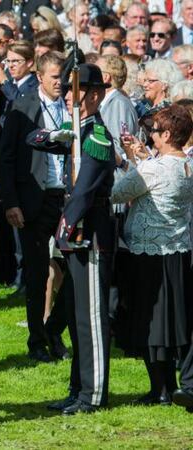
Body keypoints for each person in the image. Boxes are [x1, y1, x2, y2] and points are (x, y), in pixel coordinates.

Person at [28, 63, 116, 415]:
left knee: (91, 317)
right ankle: (78, 389)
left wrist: (64, 228)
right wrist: (55, 137)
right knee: (77, 312)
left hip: (90, 234)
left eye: (75, 91)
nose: (67, 96)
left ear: (95, 95)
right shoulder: (78, 132)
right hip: (75, 235)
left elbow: (83, 193)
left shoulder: (95, 136)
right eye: (65, 90)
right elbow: (31, 139)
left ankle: (93, 393)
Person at [112, 105, 193, 406]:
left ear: (168, 134)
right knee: (172, 320)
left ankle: (159, 388)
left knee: (151, 320)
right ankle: (172, 385)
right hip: (178, 250)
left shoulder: (154, 169)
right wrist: (141, 157)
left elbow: (119, 192)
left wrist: (130, 161)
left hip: (148, 252)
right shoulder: (187, 164)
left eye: (154, 131)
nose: (150, 135)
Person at [0, 51, 70, 363]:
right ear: (40, 76)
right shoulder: (22, 108)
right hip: (34, 199)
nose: (60, 82)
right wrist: (11, 202)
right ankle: (37, 340)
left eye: (63, 77)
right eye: (55, 77)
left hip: (68, 197)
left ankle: (55, 328)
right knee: (37, 270)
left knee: (74, 270)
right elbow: (7, 157)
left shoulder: (73, 104)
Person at [0, 40, 38, 115]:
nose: (10, 65)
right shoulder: (8, 84)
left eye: (15, 61)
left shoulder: (36, 84)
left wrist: (4, 82)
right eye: (8, 61)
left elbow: (22, 105)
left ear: (29, 62)